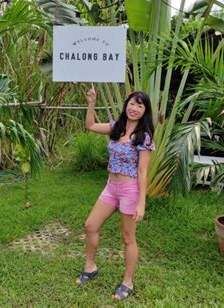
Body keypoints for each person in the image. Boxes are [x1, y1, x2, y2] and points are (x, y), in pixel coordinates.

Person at [76, 86, 155, 301]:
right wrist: (91, 102)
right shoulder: (115, 127)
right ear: (126, 105)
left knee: (128, 237)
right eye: (132, 103)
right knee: (90, 225)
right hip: (111, 187)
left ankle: (128, 281)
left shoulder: (144, 137)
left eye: (140, 105)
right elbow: (90, 125)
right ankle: (90, 267)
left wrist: (141, 203)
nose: (134, 108)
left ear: (144, 111)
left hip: (129, 190)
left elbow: (142, 172)